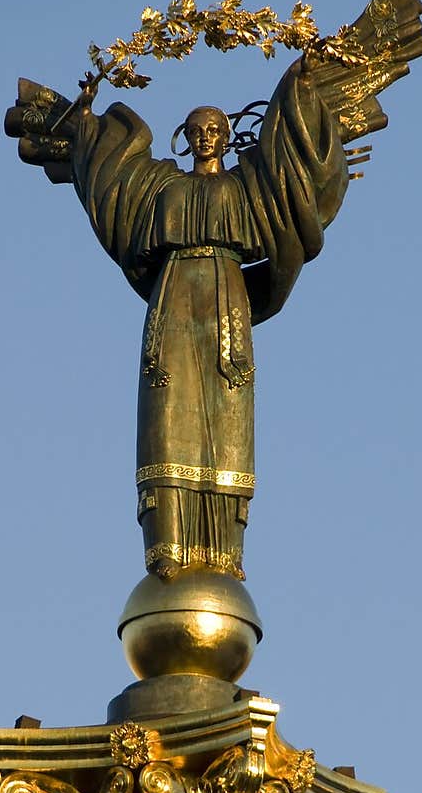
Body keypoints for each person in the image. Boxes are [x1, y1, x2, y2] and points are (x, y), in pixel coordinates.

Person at [59, 57, 350, 580]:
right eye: (197, 131)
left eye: (216, 130)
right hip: (172, 303)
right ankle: (166, 546)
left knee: (228, 418)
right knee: (168, 416)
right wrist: (84, 123)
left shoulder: (245, 189)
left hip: (226, 306)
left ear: (228, 134)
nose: (207, 138)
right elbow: (110, 182)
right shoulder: (162, 189)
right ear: (183, 137)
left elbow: (292, 178)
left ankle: (223, 552)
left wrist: (302, 87)